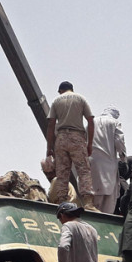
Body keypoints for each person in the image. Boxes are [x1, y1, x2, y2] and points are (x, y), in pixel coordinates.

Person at [46, 82, 95, 210]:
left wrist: (49, 148)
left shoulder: (56, 101)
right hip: (77, 137)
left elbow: (51, 125)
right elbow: (90, 120)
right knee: (83, 170)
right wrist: (90, 143)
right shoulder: (80, 98)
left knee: (62, 173)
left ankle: (62, 202)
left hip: (61, 138)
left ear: (61, 90)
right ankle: (88, 202)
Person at [89, 106, 126, 214]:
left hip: (91, 161)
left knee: (93, 193)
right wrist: (123, 157)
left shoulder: (91, 122)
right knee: (109, 196)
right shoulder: (114, 123)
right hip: (108, 163)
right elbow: (119, 142)